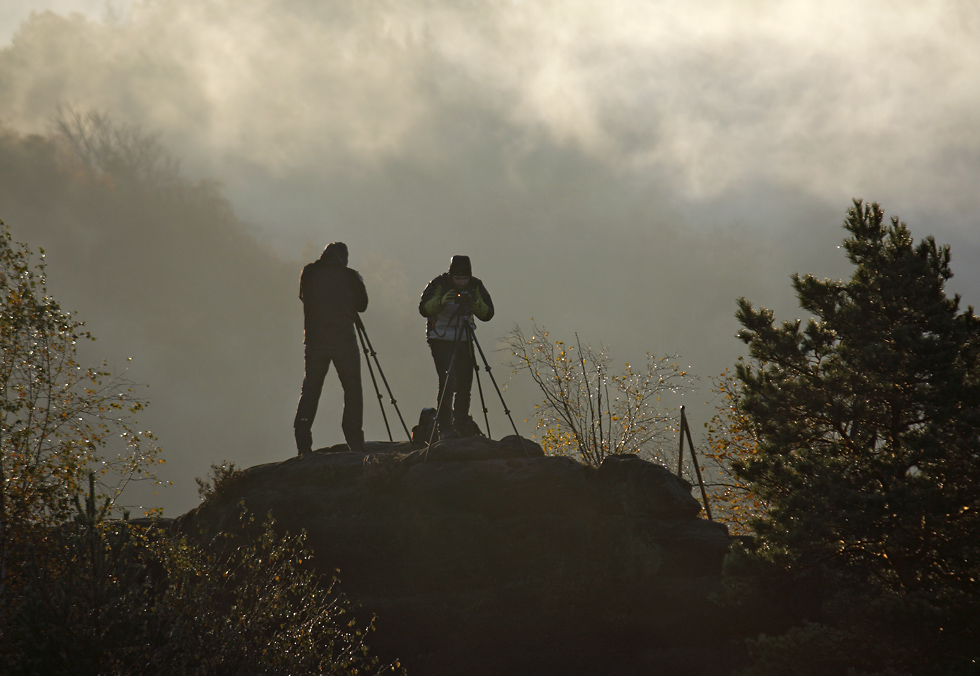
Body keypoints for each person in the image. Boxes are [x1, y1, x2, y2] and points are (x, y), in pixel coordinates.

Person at [294, 242, 368, 455]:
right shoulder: (349, 276)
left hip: (315, 341)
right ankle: (354, 440)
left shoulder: (309, 272)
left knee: (311, 391)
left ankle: (303, 443)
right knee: (353, 390)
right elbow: (362, 305)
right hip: (344, 340)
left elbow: (302, 297)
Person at [418, 255, 494, 439]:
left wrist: (474, 304)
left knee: (465, 384)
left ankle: (459, 425)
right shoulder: (439, 284)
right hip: (440, 338)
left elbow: (488, 313)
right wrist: (442, 302)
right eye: (458, 278)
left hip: (464, 338)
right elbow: (424, 309)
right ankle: (444, 428)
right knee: (448, 381)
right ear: (451, 275)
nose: (461, 282)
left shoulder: (475, 286)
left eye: (464, 279)